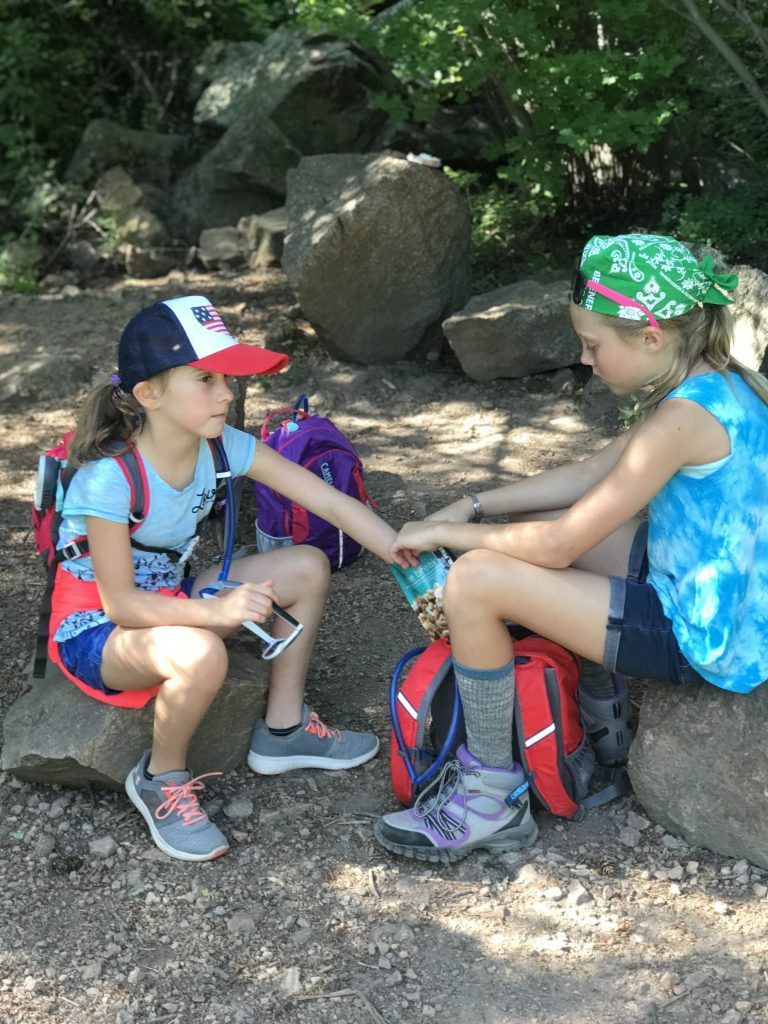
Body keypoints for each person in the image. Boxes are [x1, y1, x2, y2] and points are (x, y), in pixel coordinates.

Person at [374, 233, 768, 864]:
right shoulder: (710, 384)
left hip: (700, 636)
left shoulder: (682, 419)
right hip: (714, 593)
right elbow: (589, 476)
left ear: (649, 335)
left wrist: (451, 535)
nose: (584, 359)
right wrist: (472, 503)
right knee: (531, 519)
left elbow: (560, 546)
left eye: (592, 345)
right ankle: (602, 731)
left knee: (476, 579)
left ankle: (489, 795)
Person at [50, 294, 416, 862]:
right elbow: (120, 603)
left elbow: (332, 504)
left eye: (226, 377)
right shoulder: (109, 479)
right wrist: (214, 614)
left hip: (169, 598)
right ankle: (161, 778)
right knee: (202, 654)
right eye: (205, 378)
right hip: (96, 629)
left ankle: (284, 727)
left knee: (306, 565)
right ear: (149, 394)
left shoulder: (224, 447)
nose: (228, 393)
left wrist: (401, 550)